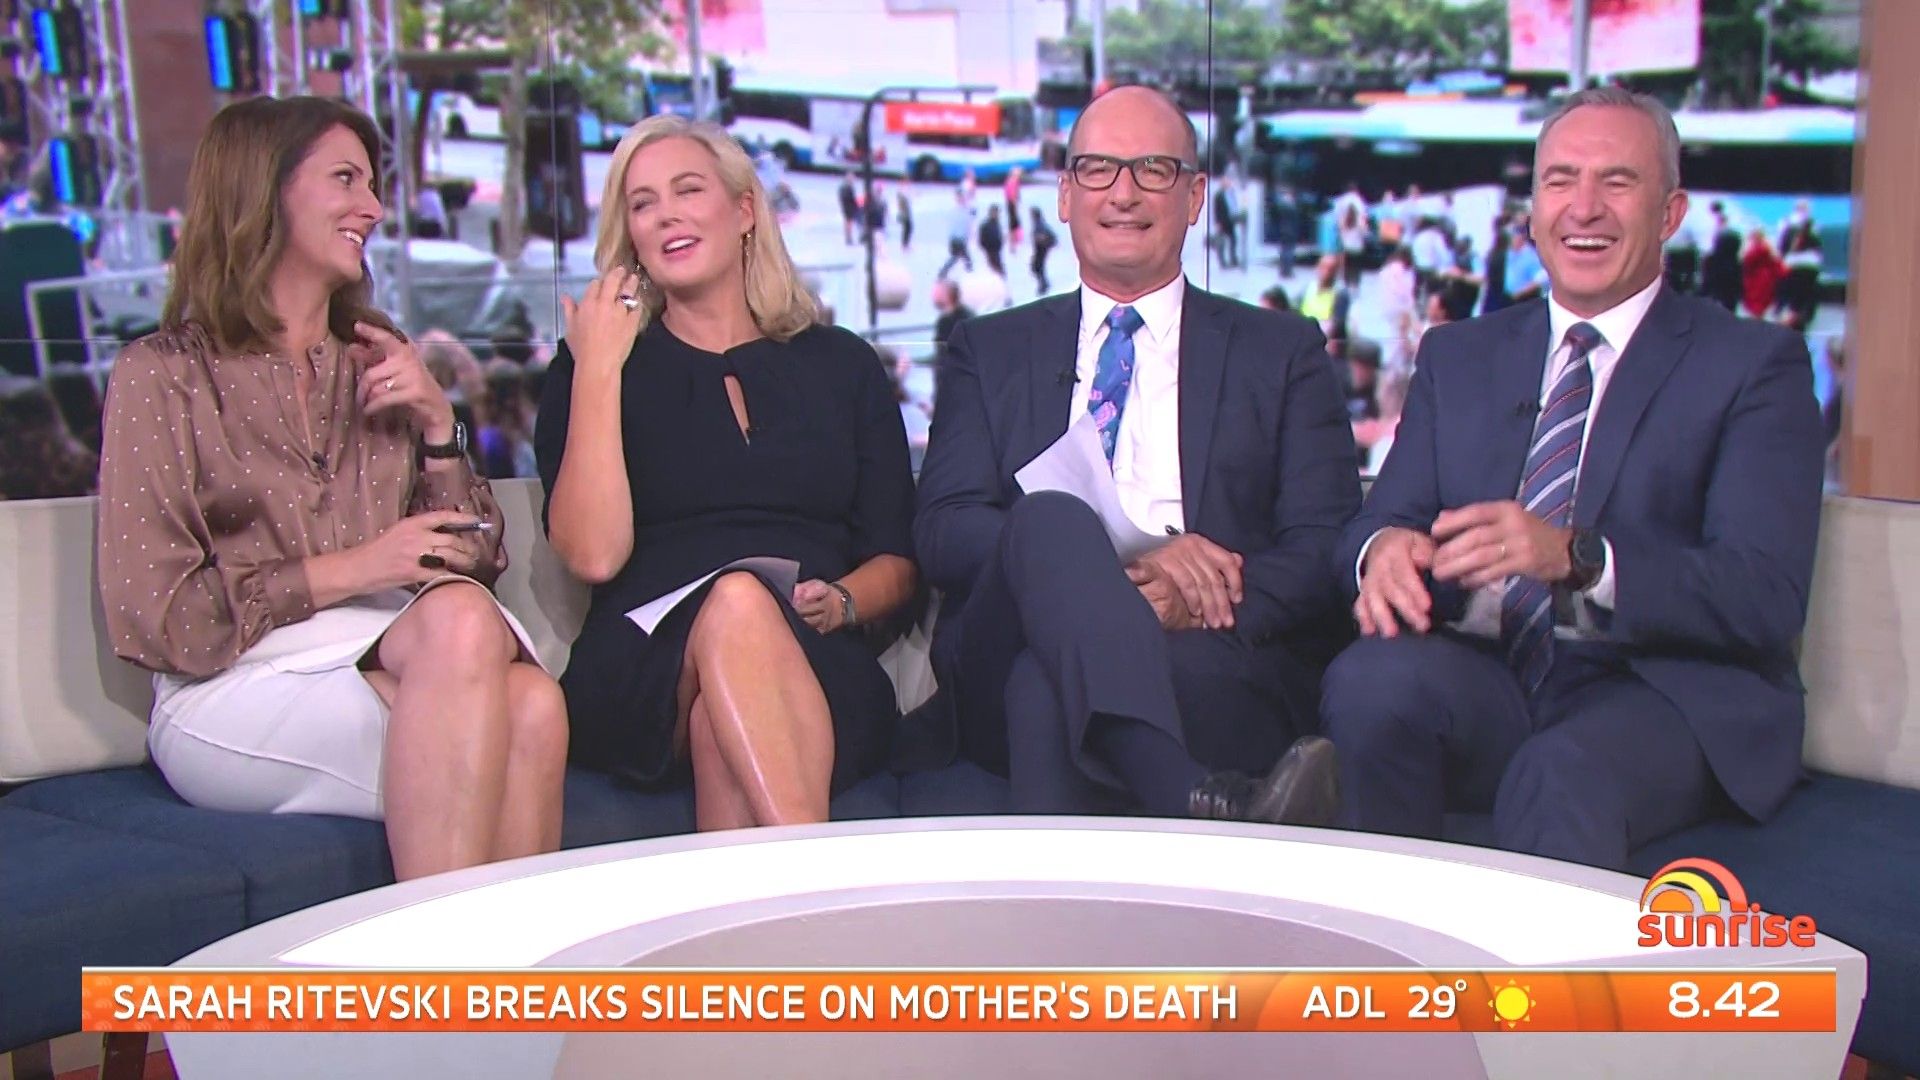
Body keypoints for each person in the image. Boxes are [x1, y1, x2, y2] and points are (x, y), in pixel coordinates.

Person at [1322, 87, 1825, 871]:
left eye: (1616, 182)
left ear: (1670, 213)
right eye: (1560, 181)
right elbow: (1378, 521)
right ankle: (1393, 946)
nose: (1583, 208)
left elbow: (1764, 594)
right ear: (1532, 212)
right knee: (1369, 682)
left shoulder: (1753, 365)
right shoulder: (1460, 355)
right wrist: (1382, 550)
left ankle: (1540, 962)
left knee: (1560, 773)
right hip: (1489, 673)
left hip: (1662, 690)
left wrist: (1576, 558)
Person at [94, 96, 566, 881]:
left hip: (394, 656)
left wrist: (438, 425)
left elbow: (475, 566)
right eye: (346, 179)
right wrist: (359, 568)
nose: (372, 209)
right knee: (471, 643)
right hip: (230, 685)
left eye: (373, 185)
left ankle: (473, 963)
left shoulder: (377, 357)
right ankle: (454, 957)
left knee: (535, 704)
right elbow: (159, 620)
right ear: (263, 192)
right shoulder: (163, 374)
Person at [909, 85, 1358, 822]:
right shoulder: (988, 350)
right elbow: (944, 528)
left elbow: (1323, 544)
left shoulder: (1281, 351)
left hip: (1206, 651)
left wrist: (1197, 596)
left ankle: (1147, 828)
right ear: (1064, 195)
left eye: (1153, 169)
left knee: (1043, 687)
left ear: (1195, 196)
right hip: (1002, 640)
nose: (1123, 193)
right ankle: (1196, 797)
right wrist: (1106, 569)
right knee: (1050, 519)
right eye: (1097, 169)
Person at [535, 115, 918, 830]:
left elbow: (897, 562)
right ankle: (814, 876)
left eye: (687, 190)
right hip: (645, 667)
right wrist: (598, 369)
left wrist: (841, 600)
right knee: (738, 602)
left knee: (725, 722)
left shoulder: (842, 365)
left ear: (744, 212)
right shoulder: (594, 367)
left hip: (813, 653)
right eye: (643, 203)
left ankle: (778, 901)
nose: (666, 215)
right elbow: (592, 554)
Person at [1028, 205, 1057, 294]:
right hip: (1040, 248)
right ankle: (1044, 284)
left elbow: (1042, 236)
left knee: (1037, 267)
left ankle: (1043, 285)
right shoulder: (1038, 223)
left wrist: (1039, 239)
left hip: (1041, 248)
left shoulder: (1039, 224)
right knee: (1037, 267)